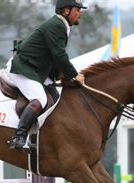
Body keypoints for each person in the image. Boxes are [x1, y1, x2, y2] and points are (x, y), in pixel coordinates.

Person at [7, 0, 87, 152]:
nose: (80, 13)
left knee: (57, 101)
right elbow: (59, 55)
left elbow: (53, 57)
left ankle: (42, 138)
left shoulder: (61, 25)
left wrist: (63, 76)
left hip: (38, 70)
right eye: (78, 9)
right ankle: (19, 136)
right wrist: (74, 75)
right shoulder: (57, 25)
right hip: (24, 68)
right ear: (66, 11)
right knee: (40, 100)